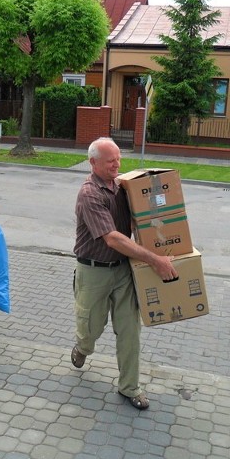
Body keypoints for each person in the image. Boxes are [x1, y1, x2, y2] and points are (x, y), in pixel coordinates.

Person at [72, 137, 178, 410]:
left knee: (130, 331)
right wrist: (156, 260)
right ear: (93, 162)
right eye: (110, 161)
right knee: (91, 329)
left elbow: (141, 217)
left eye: (118, 159)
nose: (117, 164)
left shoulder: (121, 187)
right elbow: (113, 239)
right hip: (93, 271)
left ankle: (130, 387)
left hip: (123, 271)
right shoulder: (89, 194)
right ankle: (83, 347)